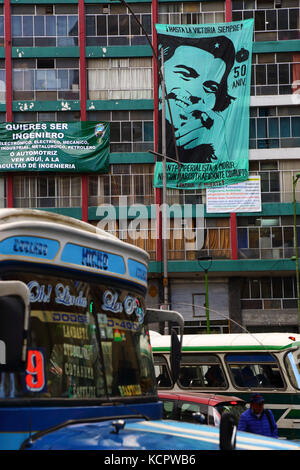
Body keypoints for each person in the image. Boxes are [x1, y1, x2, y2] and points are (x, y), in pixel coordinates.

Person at [158, 34, 237, 164]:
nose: (196, 93)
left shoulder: (210, 135)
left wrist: (219, 145)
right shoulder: (147, 127)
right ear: (160, 72)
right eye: (185, 75)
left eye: (211, 87)